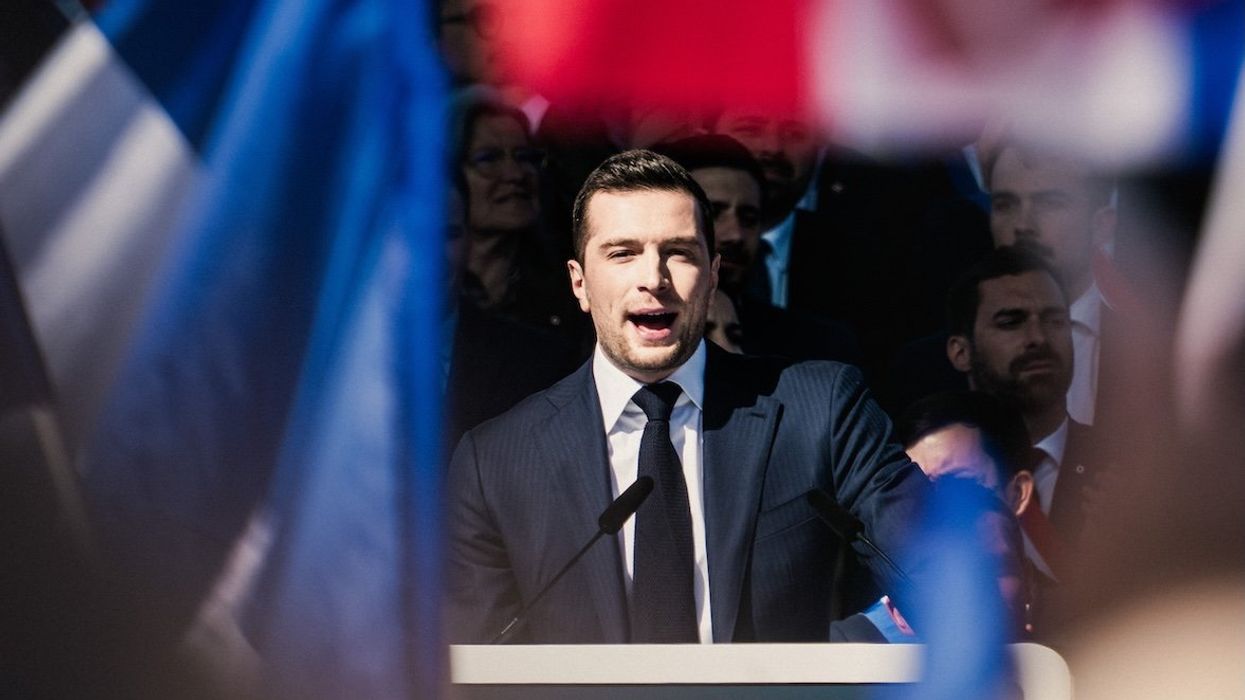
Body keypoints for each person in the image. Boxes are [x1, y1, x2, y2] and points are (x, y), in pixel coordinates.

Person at [445, 150, 933, 643]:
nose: (654, 279)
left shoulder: (821, 410)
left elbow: (944, 576)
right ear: (580, 283)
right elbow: (477, 657)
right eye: (623, 253)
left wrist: (852, 647)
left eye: (678, 252)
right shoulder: (496, 462)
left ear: (713, 274)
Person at [944, 246, 1099, 576]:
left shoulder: (1128, 468)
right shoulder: (927, 482)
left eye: (1055, 321)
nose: (1038, 338)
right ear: (961, 352)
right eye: (1011, 323)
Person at [654, 134, 860, 365]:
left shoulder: (820, 348)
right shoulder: (626, 331)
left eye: (749, 218)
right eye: (713, 213)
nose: (736, 235)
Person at [983, 141, 1116, 425]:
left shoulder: (1156, 354)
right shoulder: (931, 365)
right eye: (1005, 205)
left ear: (1101, 225)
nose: (1023, 225)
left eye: (1049, 203)